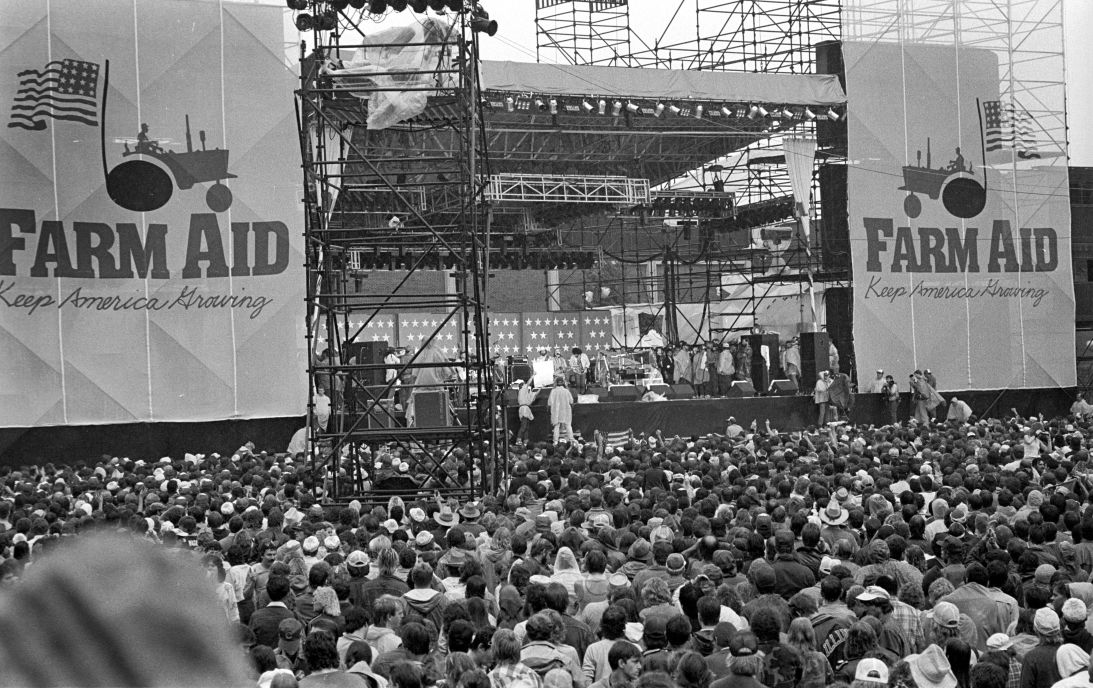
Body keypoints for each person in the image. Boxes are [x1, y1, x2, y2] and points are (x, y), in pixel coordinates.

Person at [548, 376, 575, 445]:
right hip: (566, 411)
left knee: (556, 426)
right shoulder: (566, 391)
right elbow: (571, 401)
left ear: (556, 383)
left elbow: (549, 403)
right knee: (568, 425)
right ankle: (571, 441)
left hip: (556, 412)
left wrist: (550, 411)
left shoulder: (553, 391)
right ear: (563, 383)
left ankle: (555, 442)